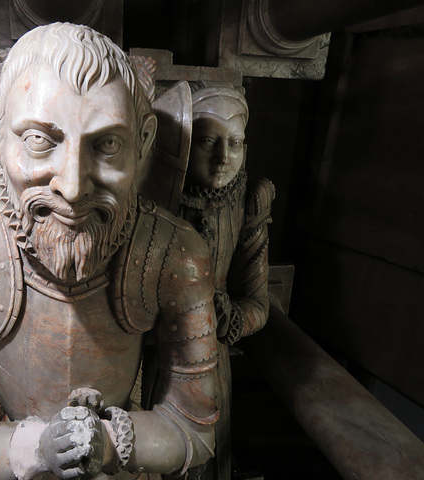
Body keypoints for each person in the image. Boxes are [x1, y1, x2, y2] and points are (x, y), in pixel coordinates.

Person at [0, 23, 218, 480]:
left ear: (143, 142)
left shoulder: (174, 255)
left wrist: (109, 443)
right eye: (39, 141)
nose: (71, 186)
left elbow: (196, 429)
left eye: (107, 145)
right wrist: (35, 449)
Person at [178, 84, 274, 480]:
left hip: (212, 359)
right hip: (150, 350)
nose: (223, 157)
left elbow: (259, 305)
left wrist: (231, 317)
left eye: (235, 143)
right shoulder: (156, 194)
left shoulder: (249, 200)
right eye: (208, 141)